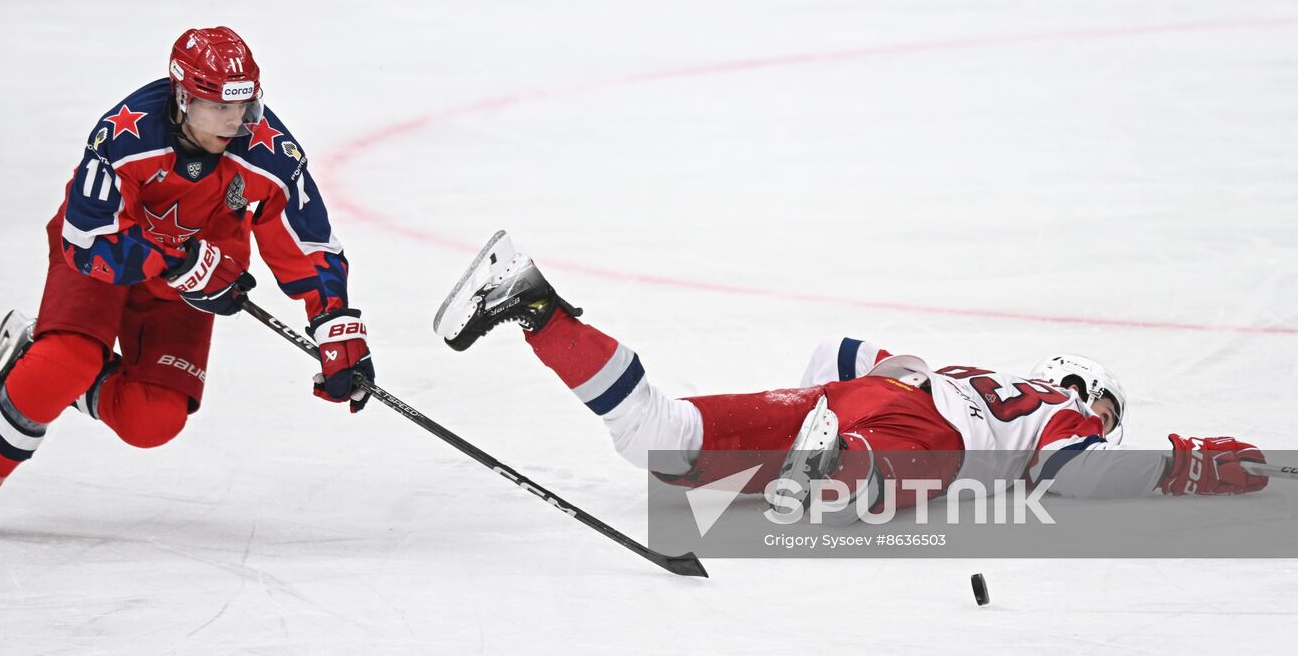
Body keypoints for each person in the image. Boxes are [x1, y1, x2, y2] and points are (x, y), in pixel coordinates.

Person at [432, 232, 1268, 518]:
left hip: (875, 397)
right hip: (924, 431)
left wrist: (833, 401)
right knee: (929, 474)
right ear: (1078, 386)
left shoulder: (968, 368)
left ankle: (535, 305)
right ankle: (844, 467)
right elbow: (1077, 478)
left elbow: (833, 355)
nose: (1103, 417)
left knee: (663, 441)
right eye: (1105, 405)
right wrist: (1182, 466)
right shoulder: (1059, 413)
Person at [0, 26, 375, 538]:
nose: (237, 120)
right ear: (183, 97)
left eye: (246, 103)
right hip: (106, 259)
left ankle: (36, 363)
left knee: (152, 420)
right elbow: (86, 240)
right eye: (219, 106)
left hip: (191, 280)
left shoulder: (267, 150)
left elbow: (304, 240)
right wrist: (176, 262)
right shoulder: (125, 135)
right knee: (67, 359)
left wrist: (335, 324)